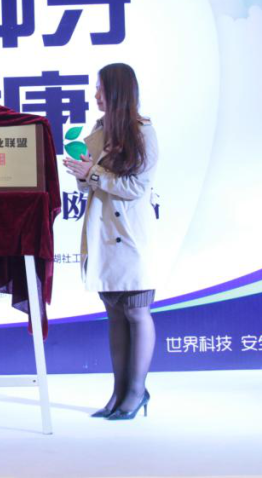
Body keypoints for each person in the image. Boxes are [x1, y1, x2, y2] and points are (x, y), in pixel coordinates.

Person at [63, 63, 159, 421]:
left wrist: (94, 174)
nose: (95, 96)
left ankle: (136, 392)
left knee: (136, 311)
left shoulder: (143, 132)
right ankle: (119, 393)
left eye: (100, 89)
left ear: (117, 91)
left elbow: (135, 187)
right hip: (103, 234)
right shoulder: (99, 130)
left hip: (131, 235)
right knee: (115, 313)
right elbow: (87, 183)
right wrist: (83, 172)